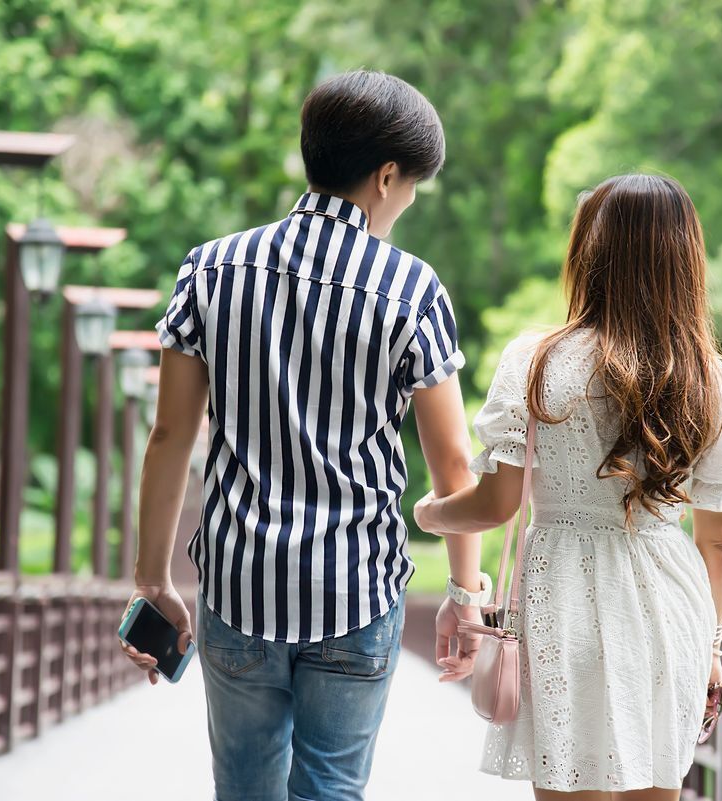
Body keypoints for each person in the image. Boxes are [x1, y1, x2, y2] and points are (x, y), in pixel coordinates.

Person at [119, 69, 486, 801]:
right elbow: (450, 461)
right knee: (332, 789)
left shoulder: (210, 269)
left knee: (246, 789)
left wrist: (154, 578)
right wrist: (466, 590)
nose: (406, 203)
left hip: (238, 582)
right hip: (356, 586)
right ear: (385, 177)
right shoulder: (410, 288)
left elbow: (169, 436)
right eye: (411, 187)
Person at [414, 174, 722, 800]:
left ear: (589, 253)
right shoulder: (711, 381)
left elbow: (496, 505)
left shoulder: (536, 360)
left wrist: (431, 515)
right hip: (671, 608)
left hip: (563, 601)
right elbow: (718, 543)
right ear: (685, 257)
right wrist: (712, 649)